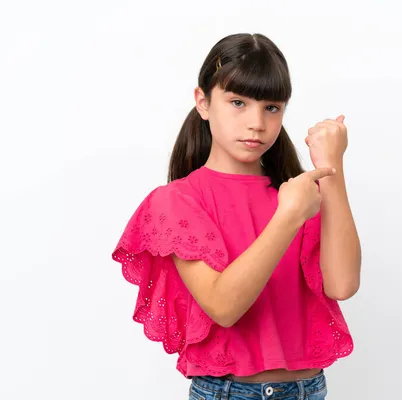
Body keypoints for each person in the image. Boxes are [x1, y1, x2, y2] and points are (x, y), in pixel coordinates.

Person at [111, 32, 362, 400]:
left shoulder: (297, 194)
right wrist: (287, 217)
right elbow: (224, 307)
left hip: (310, 389)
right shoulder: (178, 201)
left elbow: (342, 285)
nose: (257, 123)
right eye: (238, 103)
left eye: (271, 107)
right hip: (229, 392)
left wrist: (332, 170)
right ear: (203, 102)